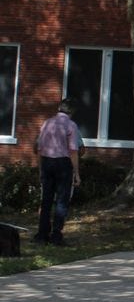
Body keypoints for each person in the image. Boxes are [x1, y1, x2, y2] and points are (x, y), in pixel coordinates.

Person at [33, 99, 81, 246]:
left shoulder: (47, 123)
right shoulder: (71, 125)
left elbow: (39, 149)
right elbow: (73, 151)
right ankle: (56, 235)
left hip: (47, 162)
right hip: (63, 164)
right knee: (62, 200)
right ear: (72, 111)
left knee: (46, 200)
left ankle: (42, 235)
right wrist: (76, 173)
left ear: (59, 108)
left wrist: (40, 169)